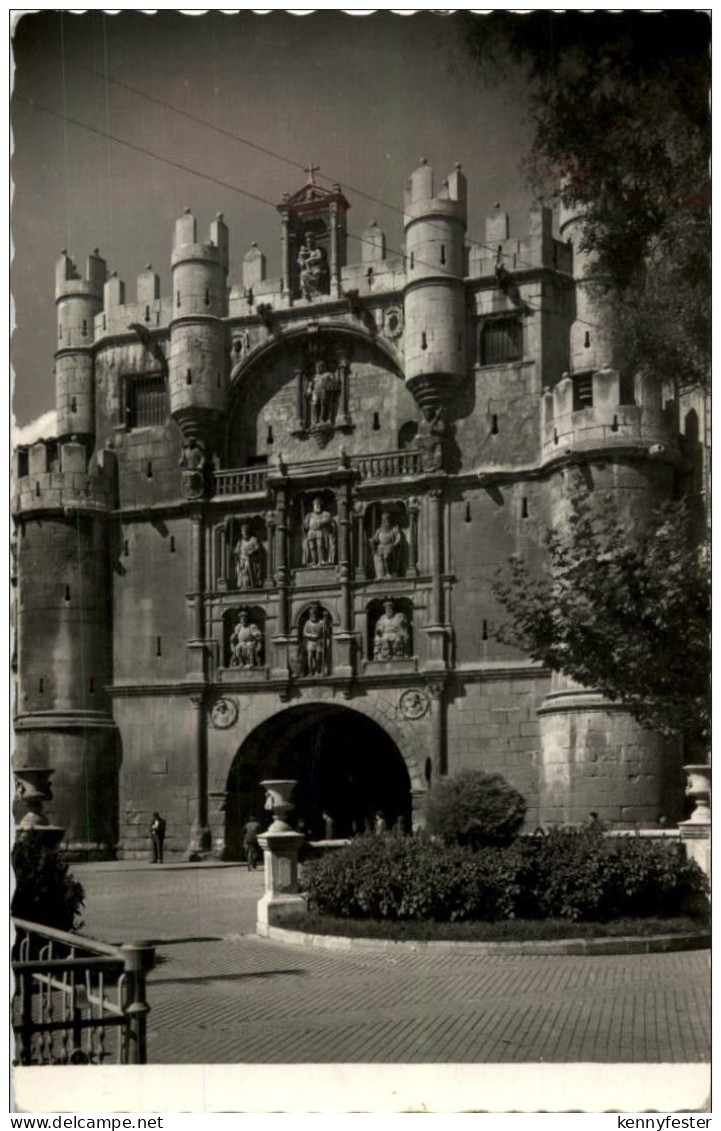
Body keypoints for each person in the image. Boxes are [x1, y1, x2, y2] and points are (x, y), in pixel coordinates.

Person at [371, 512, 403, 578]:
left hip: (391, 546)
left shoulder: (394, 529)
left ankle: (388, 572)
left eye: (386, 520)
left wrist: (395, 544)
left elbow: (398, 538)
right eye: (383, 520)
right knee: (378, 555)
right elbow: (375, 539)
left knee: (386, 556)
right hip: (381, 547)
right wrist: (372, 541)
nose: (385, 522)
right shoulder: (379, 530)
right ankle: (381, 574)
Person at [234, 523, 263, 589]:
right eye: (242, 532)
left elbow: (258, 547)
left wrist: (251, 551)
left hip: (251, 559)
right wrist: (236, 551)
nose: (244, 534)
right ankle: (243, 586)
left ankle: (251, 585)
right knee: (241, 572)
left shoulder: (253, 539)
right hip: (242, 559)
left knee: (248, 568)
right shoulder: (240, 541)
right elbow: (236, 550)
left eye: (245, 532)